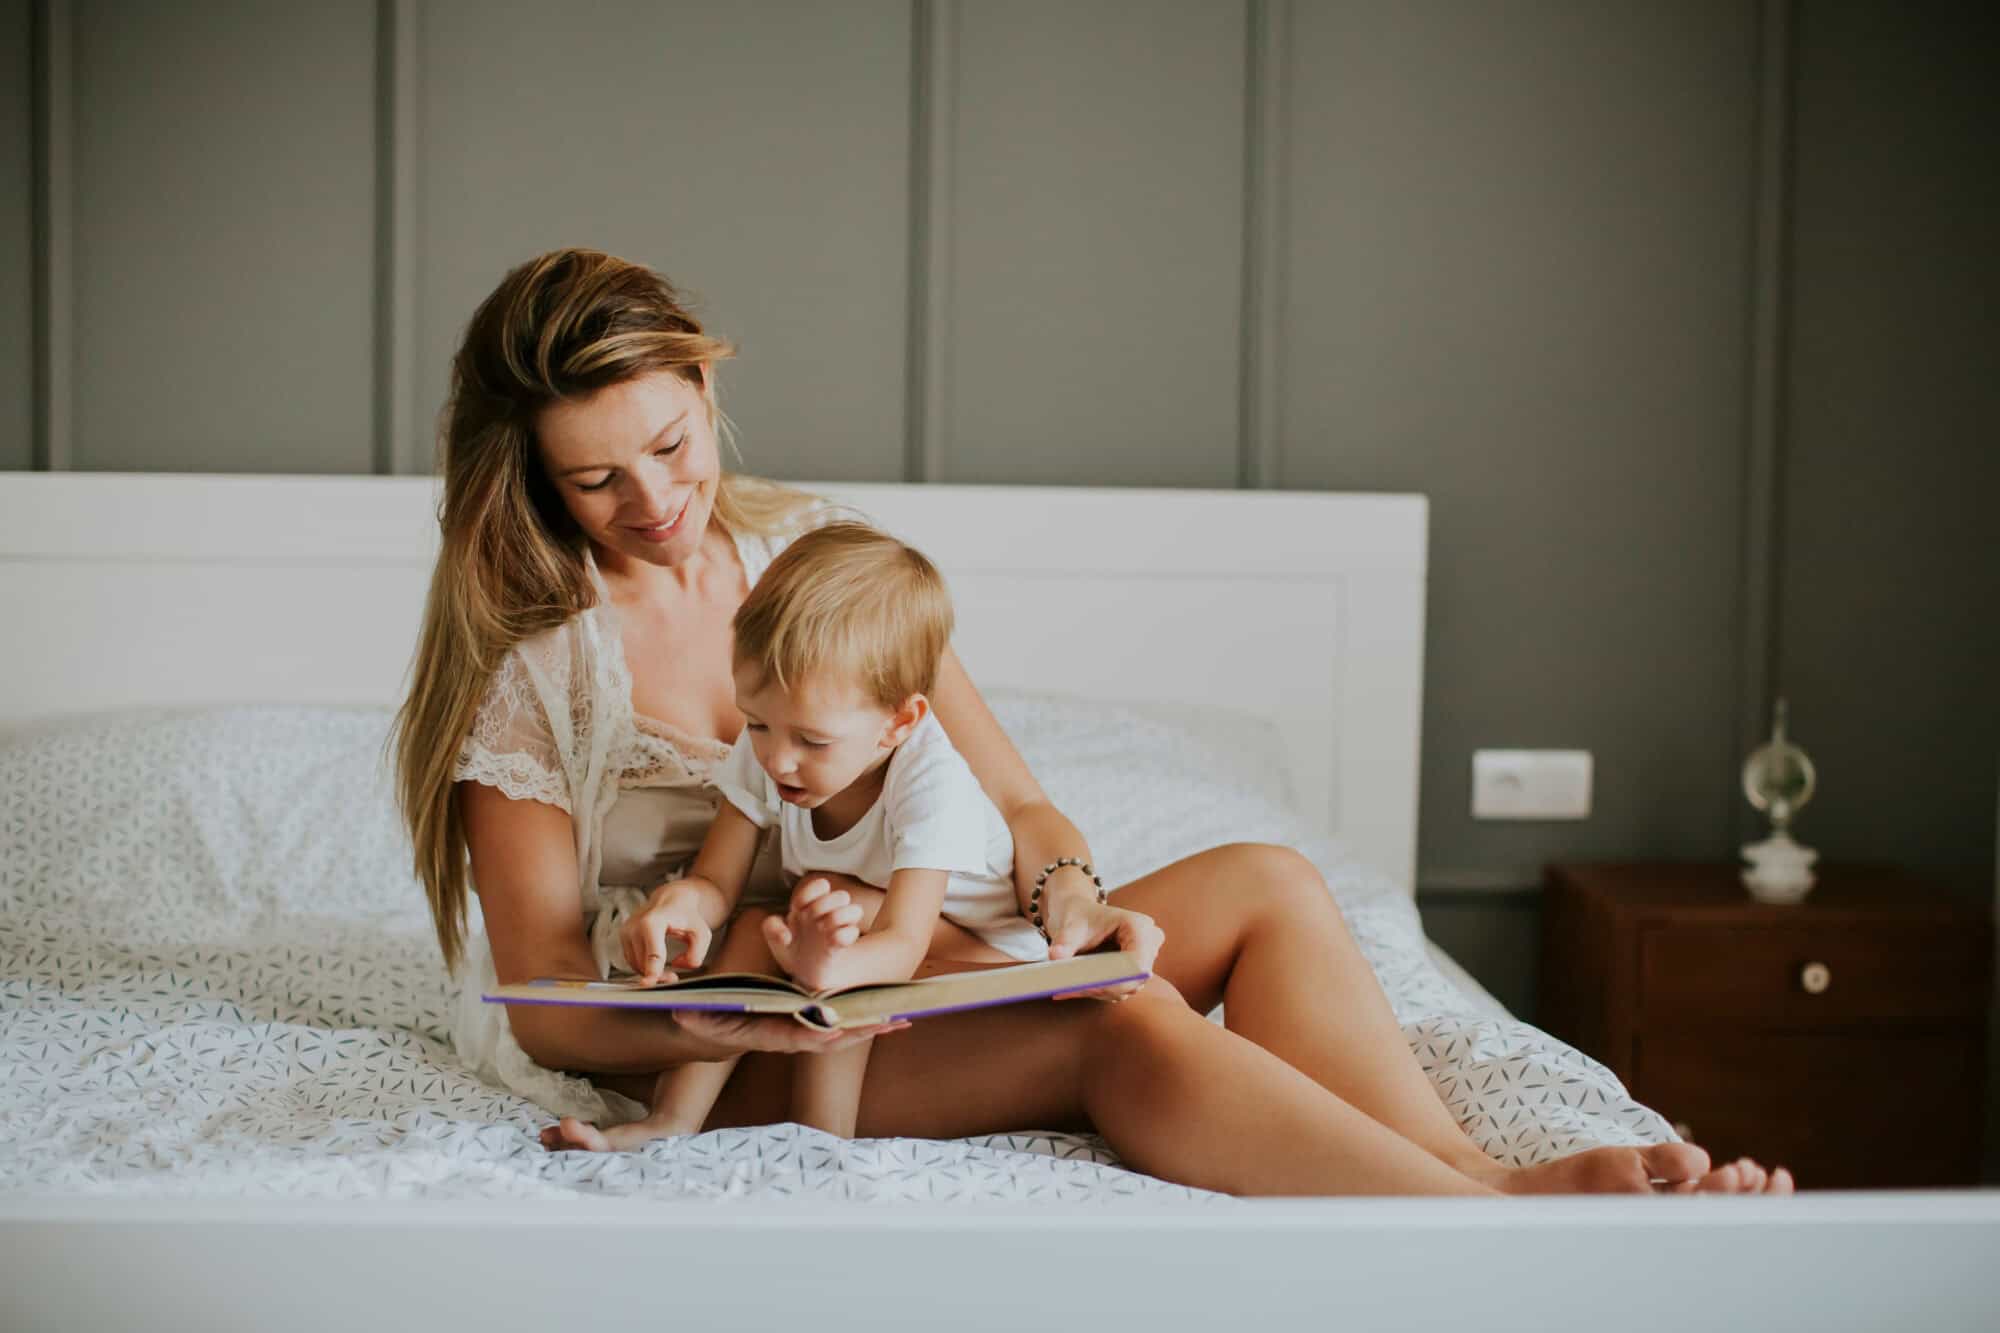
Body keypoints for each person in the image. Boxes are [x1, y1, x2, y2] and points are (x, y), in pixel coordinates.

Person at [394, 246, 1792, 1196]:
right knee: (1119, 1027)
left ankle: (1478, 1176)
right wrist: (737, 1024)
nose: (651, 500)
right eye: (594, 481)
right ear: (528, 481)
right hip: (755, 1042)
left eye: (670, 444)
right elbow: (553, 1001)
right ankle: (1490, 1234)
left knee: (1267, 882)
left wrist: (1065, 898)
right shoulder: (534, 668)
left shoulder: (816, 560)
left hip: (922, 963)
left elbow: (1021, 805)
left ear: (707, 388)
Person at [562, 521, 1052, 1150]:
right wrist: (680, 905)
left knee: (837, 900)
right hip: (865, 936)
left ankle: (823, 1141)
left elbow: (903, 941)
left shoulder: (933, 783)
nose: (778, 759)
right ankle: (671, 1121)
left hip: (989, 958)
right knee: (751, 924)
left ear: (898, 723)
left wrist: (831, 963)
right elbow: (717, 879)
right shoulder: (768, 748)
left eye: (813, 741)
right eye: (758, 723)